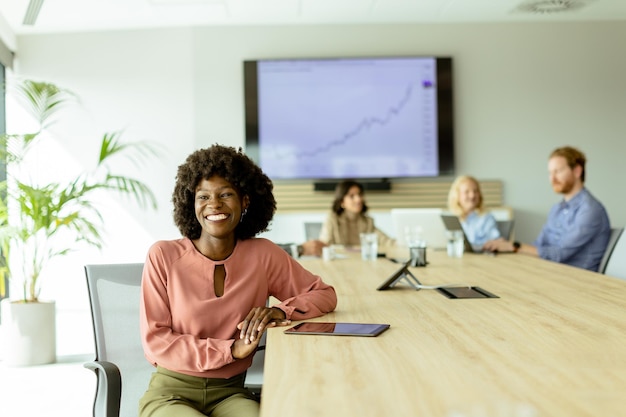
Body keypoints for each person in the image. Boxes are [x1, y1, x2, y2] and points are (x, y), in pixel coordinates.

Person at [139, 144, 337, 417]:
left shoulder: (263, 254)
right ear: (191, 202)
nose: (214, 204)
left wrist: (279, 311)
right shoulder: (163, 255)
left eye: (226, 194)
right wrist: (230, 349)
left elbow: (323, 294)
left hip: (231, 393)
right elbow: (157, 341)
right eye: (203, 196)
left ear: (245, 200)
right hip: (170, 393)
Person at [483, 146, 610, 272]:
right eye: (550, 173)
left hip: (577, 281)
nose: (552, 179)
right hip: (552, 273)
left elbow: (559, 254)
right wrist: (505, 245)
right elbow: (538, 245)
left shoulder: (590, 210)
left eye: (558, 171)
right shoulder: (556, 209)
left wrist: (514, 246)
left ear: (577, 171)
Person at [319, 179, 394, 248]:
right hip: (340, 262)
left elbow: (386, 241)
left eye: (360, 195)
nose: (358, 199)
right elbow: (324, 245)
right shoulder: (332, 219)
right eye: (352, 196)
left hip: (362, 261)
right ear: (342, 202)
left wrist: (402, 242)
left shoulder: (367, 221)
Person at [447, 175, 501, 249]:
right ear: (457, 195)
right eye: (467, 192)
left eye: (475, 191)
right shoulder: (450, 219)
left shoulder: (487, 218)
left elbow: (496, 243)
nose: (472, 195)